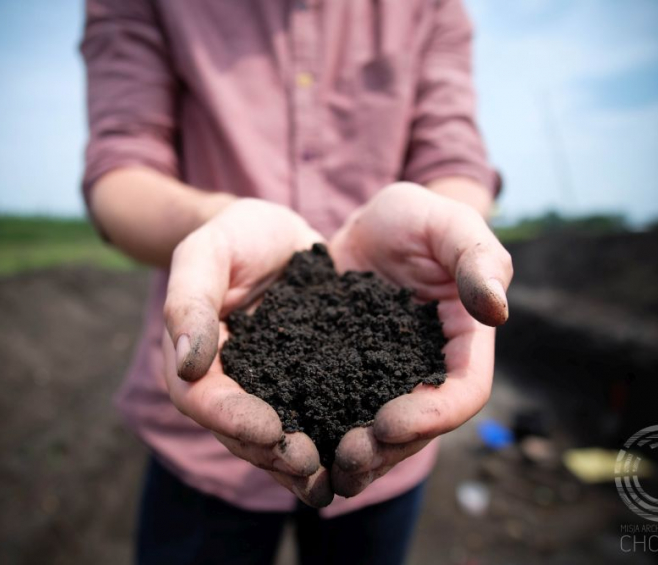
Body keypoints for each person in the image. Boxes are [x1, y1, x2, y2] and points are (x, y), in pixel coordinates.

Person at [80, 0, 513, 563]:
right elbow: (121, 167)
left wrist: (446, 231)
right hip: (203, 435)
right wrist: (213, 224)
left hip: (390, 452)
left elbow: (453, 156)